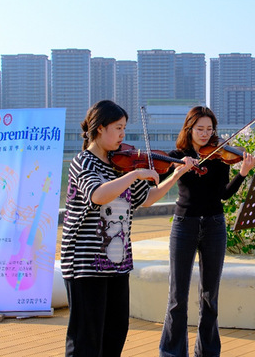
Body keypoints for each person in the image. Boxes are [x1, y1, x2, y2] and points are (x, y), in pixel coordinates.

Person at [61, 100, 195, 357]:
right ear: (100, 128)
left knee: (115, 335)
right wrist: (134, 175)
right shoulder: (84, 162)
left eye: (124, 128)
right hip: (85, 264)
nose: (123, 134)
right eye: (118, 128)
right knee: (86, 340)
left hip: (118, 263)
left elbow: (148, 198)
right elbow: (98, 195)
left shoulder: (123, 164)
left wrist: (177, 174)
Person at [159, 106, 255, 357]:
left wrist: (243, 173)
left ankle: (208, 353)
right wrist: (179, 169)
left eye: (209, 129)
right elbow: (158, 181)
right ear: (189, 129)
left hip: (214, 225)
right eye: (200, 128)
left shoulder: (219, 156)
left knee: (210, 297)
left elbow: (223, 194)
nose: (205, 134)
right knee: (177, 297)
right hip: (184, 224)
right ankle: (172, 353)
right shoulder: (177, 156)